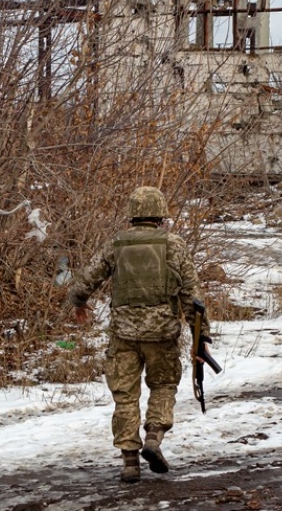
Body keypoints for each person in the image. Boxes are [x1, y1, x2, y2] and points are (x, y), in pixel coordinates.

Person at [68, 186, 198, 484]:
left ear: (132, 215)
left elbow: (85, 282)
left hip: (123, 334)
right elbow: (191, 294)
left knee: (125, 397)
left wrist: (78, 303)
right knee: (163, 385)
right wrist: (200, 335)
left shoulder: (116, 245)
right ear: (161, 214)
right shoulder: (174, 245)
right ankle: (153, 435)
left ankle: (129, 462)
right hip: (162, 334)